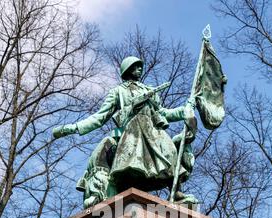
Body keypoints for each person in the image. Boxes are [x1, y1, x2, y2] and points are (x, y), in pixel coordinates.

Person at [53, 56, 197, 208]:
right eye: (136, 66)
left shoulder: (150, 90)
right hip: (131, 130)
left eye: (140, 66)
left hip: (153, 129)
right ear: (128, 69)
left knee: (170, 151)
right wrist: (73, 128)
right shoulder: (118, 91)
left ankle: (176, 192)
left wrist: (184, 110)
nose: (140, 69)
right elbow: (100, 117)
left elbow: (163, 113)